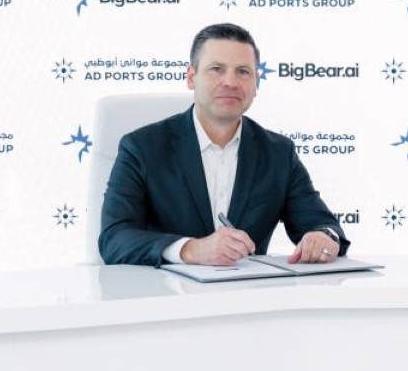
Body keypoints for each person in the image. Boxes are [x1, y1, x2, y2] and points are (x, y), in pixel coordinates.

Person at [99, 23, 349, 266]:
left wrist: (322, 237)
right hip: (164, 291)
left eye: (243, 71)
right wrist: (190, 249)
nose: (230, 82)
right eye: (217, 69)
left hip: (246, 292)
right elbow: (114, 239)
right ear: (191, 77)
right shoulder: (141, 148)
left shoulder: (278, 153)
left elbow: (322, 224)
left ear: (256, 83)